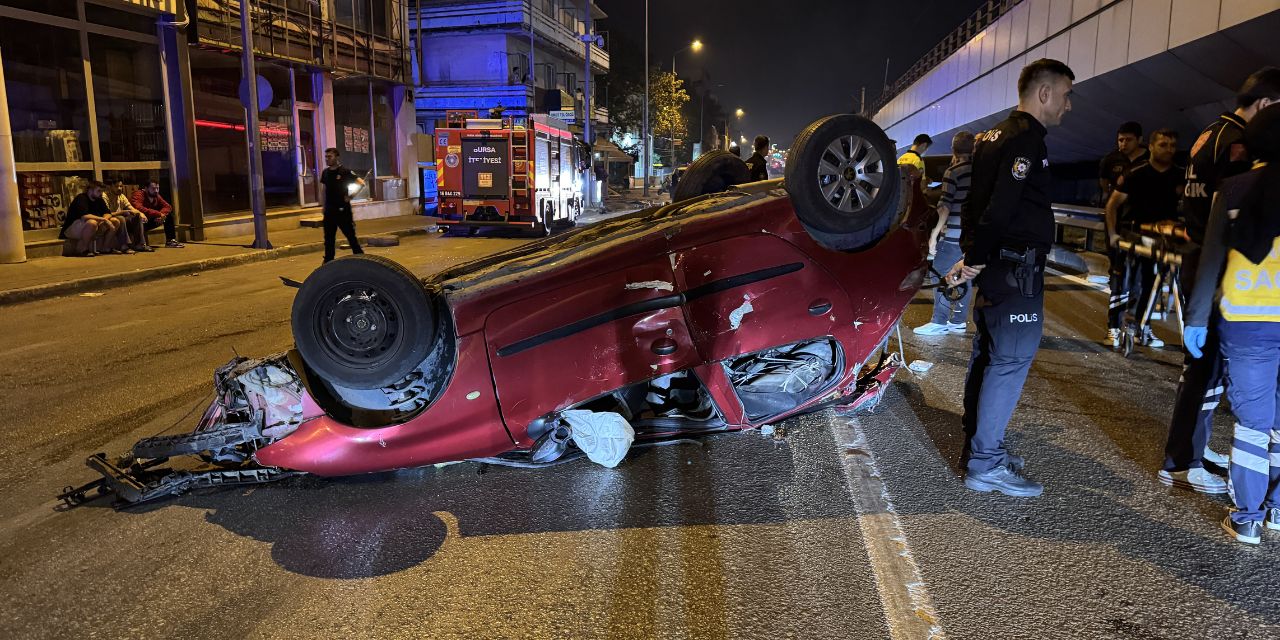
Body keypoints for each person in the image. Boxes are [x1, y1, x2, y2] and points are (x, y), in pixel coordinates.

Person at [947, 58, 1075, 497]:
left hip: (997, 266)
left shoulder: (990, 136)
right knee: (1011, 360)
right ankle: (985, 463)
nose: (1068, 105)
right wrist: (977, 258)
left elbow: (972, 203)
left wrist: (973, 255)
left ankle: (978, 446)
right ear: (1044, 93)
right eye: (1066, 94)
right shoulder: (1025, 140)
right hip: (1016, 268)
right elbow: (1001, 206)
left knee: (988, 353)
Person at [1159, 67, 1280, 494]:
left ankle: (1190, 451)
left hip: (1197, 259)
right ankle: (1183, 459)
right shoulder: (1238, 145)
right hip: (1219, 272)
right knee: (1205, 371)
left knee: (1202, 367)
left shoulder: (1210, 133)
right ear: (1267, 104)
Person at [1181, 103, 1280, 544]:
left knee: (1253, 422)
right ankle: (1277, 511)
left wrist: (1197, 317)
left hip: (1246, 321)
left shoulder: (1234, 189)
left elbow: (1212, 259)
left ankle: (1247, 517)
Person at [1103, 128, 1183, 350]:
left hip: (1159, 237)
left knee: (1153, 283)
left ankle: (1142, 327)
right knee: (1123, 283)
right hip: (1131, 233)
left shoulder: (1179, 175)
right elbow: (1112, 205)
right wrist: (1112, 235)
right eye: (1163, 145)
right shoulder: (1136, 173)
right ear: (1151, 146)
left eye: (1172, 146)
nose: (1168, 150)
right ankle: (1114, 327)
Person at [915, 131, 976, 336]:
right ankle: (958, 320)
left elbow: (944, 207)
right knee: (965, 275)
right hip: (972, 236)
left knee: (940, 273)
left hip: (954, 235)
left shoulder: (954, 171)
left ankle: (939, 321)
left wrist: (934, 235)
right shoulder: (982, 171)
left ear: (953, 149)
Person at [319, 147, 365, 263]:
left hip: (342, 210)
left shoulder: (345, 171)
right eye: (326, 157)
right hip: (330, 210)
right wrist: (323, 206)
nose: (327, 159)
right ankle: (328, 261)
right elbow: (324, 189)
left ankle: (361, 259)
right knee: (329, 239)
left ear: (337, 157)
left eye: (330, 157)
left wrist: (351, 196)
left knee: (350, 236)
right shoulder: (325, 173)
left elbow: (361, 183)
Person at [1098, 121, 1148, 202]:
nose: (1124, 144)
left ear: (1139, 140)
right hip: (1117, 206)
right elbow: (1104, 181)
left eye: (1129, 140)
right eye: (1121, 140)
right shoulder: (1110, 159)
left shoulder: (1151, 158)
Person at [59, 182, 110, 256]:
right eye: (99, 191)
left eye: (102, 191)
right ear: (90, 190)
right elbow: (84, 216)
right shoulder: (81, 198)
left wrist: (104, 219)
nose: (101, 193)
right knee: (92, 223)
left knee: (114, 221)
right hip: (71, 228)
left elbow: (108, 213)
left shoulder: (99, 199)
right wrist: (103, 220)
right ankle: (83, 248)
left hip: (87, 226)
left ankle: (105, 248)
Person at [131, 180, 183, 249]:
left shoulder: (156, 196)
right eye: (153, 188)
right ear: (146, 188)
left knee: (168, 216)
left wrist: (161, 216)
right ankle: (140, 244)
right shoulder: (139, 194)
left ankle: (170, 241)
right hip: (138, 223)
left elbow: (167, 206)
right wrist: (158, 214)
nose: (156, 190)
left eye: (157, 188)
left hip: (150, 220)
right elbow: (138, 208)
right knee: (140, 218)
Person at [110, 180, 151, 252]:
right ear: (111, 187)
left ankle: (140, 244)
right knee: (121, 218)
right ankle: (124, 246)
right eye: (116, 186)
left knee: (137, 216)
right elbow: (107, 213)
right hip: (111, 218)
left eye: (121, 186)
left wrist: (141, 213)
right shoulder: (105, 196)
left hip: (122, 217)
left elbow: (130, 207)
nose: (119, 188)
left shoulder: (121, 196)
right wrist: (124, 212)